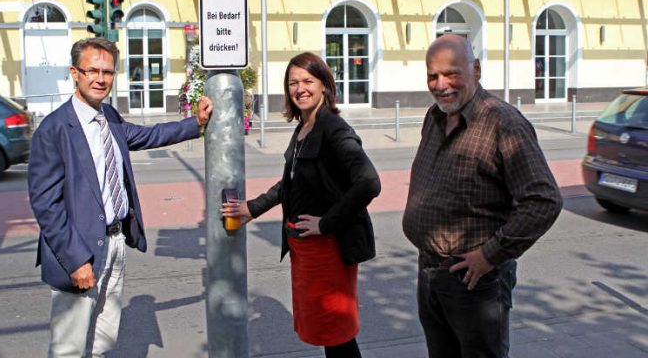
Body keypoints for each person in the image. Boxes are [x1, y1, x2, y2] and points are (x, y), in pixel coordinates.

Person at [28, 37, 212, 357]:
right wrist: (76, 261)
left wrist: (194, 123)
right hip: (79, 250)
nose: (100, 79)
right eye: (92, 71)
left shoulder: (109, 117)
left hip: (114, 242)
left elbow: (149, 135)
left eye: (108, 72)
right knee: (68, 348)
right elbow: (46, 205)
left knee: (103, 339)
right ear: (75, 73)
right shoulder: (55, 128)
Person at [402, 34, 562, 358]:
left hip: (474, 281)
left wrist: (490, 255)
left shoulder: (503, 123)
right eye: (433, 76)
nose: (441, 84)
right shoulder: (433, 118)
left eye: (451, 73)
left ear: (475, 69)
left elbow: (544, 200)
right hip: (430, 271)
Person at [222, 52, 381, 358]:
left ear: (325, 85)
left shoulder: (334, 129)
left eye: (308, 81)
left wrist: (325, 222)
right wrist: (253, 208)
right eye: (293, 83)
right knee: (329, 333)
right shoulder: (305, 127)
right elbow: (291, 183)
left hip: (330, 249)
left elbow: (369, 183)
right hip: (307, 248)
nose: (300, 89)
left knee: (337, 332)